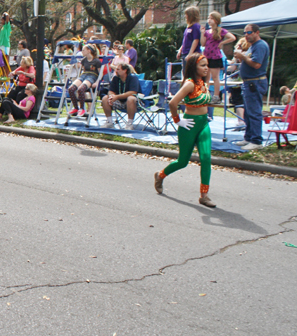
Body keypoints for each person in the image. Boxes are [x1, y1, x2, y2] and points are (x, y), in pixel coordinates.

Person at [154, 53, 215, 206]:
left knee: (206, 158)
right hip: (189, 125)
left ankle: (204, 195)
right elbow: (173, 103)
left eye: (207, 65)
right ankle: (160, 176)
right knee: (183, 162)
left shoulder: (203, 82)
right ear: (194, 67)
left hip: (203, 124)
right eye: (203, 65)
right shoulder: (189, 84)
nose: (206, 68)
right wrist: (178, 121)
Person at [234, 23, 269, 150]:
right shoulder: (252, 46)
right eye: (245, 33)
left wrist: (242, 56)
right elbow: (248, 61)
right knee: (248, 112)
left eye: (249, 33)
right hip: (249, 82)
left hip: (255, 83)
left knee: (254, 112)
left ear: (257, 33)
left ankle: (256, 141)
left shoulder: (260, 46)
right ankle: (248, 137)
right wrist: (241, 56)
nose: (246, 35)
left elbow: (256, 64)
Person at [200, 11, 236, 104]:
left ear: (216, 20)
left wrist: (222, 43)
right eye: (208, 18)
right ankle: (205, 94)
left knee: (215, 77)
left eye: (211, 18)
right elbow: (203, 43)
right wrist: (202, 33)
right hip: (206, 56)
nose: (209, 20)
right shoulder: (207, 32)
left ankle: (216, 96)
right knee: (206, 78)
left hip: (215, 56)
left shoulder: (221, 30)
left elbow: (232, 37)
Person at [101, 63, 140, 129]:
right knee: (105, 98)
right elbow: (111, 91)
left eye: (118, 69)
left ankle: (130, 124)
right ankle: (109, 122)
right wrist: (111, 96)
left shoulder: (133, 78)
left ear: (125, 70)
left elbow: (133, 92)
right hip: (119, 101)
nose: (116, 70)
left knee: (131, 98)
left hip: (134, 103)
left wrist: (117, 97)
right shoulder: (115, 78)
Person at [67, 43, 101, 118]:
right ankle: (76, 107)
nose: (82, 52)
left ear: (89, 51)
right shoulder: (84, 60)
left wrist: (97, 82)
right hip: (84, 75)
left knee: (81, 89)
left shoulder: (96, 61)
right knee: (71, 89)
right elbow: (83, 70)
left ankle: (82, 108)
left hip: (92, 75)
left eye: (83, 50)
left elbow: (100, 73)